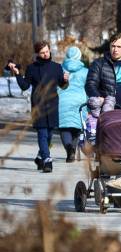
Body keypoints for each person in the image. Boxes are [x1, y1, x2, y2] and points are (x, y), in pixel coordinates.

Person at [8, 40, 69, 173]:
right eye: (42, 53)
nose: (46, 54)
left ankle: (40, 156)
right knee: (42, 133)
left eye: (47, 51)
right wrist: (18, 74)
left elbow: (62, 86)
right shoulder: (32, 68)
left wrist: (65, 80)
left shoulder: (57, 67)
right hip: (38, 105)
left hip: (53, 104)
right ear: (37, 54)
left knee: (49, 135)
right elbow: (24, 86)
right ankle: (47, 160)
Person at [58, 46, 88, 162]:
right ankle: (73, 150)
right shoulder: (85, 72)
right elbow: (89, 88)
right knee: (77, 128)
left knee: (64, 128)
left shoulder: (59, 69)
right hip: (79, 102)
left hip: (62, 102)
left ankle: (70, 149)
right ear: (79, 56)